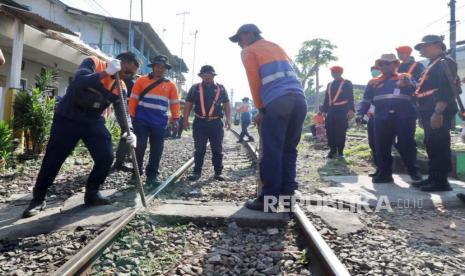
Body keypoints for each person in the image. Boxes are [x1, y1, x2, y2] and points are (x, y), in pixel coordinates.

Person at [22, 52, 139, 218]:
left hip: (92, 120)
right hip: (68, 117)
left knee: (106, 155)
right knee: (54, 158)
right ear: (118, 63)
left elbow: (123, 112)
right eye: (127, 72)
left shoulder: (121, 86)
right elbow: (78, 82)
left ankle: (92, 192)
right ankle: (38, 198)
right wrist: (107, 72)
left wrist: (130, 130)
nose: (128, 77)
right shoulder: (93, 62)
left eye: (132, 75)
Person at [230, 24, 307, 211]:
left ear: (249, 35)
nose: (239, 44)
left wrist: (260, 109)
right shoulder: (276, 46)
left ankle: (268, 199)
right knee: (289, 149)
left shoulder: (249, 51)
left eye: (239, 39)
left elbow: (254, 80)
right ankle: (288, 193)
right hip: (299, 100)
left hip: (278, 101)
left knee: (272, 150)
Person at [357, 54, 421, 183]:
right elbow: (366, 100)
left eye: (388, 63)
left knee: (406, 144)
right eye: (381, 64)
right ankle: (385, 174)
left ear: (395, 64)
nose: (384, 66)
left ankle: (414, 172)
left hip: (404, 117)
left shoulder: (406, 77)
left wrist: (407, 85)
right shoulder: (373, 82)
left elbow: (416, 91)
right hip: (381, 117)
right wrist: (360, 114)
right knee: (381, 146)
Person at [412, 35, 459, 192]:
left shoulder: (446, 62)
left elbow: (446, 89)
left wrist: (438, 112)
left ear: (438, 45)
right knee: (431, 144)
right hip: (428, 109)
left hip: (438, 108)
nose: (422, 50)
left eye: (425, 46)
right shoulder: (432, 64)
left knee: (439, 144)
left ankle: (441, 181)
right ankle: (433, 177)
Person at [128, 55, 180, 186]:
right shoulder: (141, 81)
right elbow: (133, 99)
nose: (160, 69)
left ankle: (152, 176)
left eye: (163, 67)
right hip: (141, 120)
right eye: (158, 66)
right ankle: (136, 174)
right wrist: (131, 116)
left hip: (160, 122)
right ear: (153, 67)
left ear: (165, 69)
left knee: (157, 149)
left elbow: (174, 103)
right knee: (139, 147)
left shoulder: (171, 85)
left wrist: (175, 119)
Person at [183, 65, 232, 181]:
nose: (207, 77)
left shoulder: (221, 88)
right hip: (199, 122)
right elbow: (188, 104)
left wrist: (228, 119)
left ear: (213, 76)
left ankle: (218, 172)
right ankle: (197, 172)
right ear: (201, 76)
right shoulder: (195, 88)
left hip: (216, 123)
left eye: (209, 75)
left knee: (217, 149)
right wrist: (185, 120)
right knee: (199, 149)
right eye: (205, 75)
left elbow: (226, 104)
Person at [321, 66, 355, 158]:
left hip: (342, 109)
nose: (334, 74)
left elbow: (350, 98)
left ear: (341, 73)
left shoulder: (347, 83)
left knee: (340, 130)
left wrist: (351, 110)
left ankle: (340, 152)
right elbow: (326, 99)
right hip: (331, 110)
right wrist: (324, 110)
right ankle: (332, 150)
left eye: (336, 72)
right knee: (329, 129)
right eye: (332, 72)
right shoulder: (329, 84)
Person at [112, 75, 137, 172]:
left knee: (127, 134)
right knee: (128, 133)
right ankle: (120, 161)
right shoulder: (131, 82)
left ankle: (123, 158)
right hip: (128, 111)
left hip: (125, 110)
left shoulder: (124, 80)